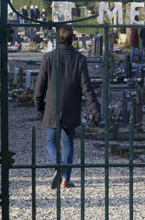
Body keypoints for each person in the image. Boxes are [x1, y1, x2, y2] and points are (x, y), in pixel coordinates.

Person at [34, 26, 101, 189]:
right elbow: (86, 86)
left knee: (51, 141)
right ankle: (66, 178)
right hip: (71, 106)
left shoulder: (48, 57)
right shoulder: (79, 58)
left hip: (51, 106)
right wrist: (94, 107)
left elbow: (39, 87)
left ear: (58, 39)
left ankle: (59, 165)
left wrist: (40, 106)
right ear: (73, 39)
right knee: (68, 142)